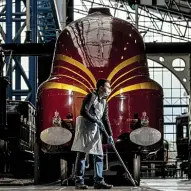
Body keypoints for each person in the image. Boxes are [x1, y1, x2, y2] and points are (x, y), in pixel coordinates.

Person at [71, 79, 114, 189]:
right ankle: (79, 181)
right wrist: (95, 120)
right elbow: (83, 111)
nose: (110, 89)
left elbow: (105, 119)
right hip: (85, 127)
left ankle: (98, 181)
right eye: (108, 87)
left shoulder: (104, 102)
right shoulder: (91, 96)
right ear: (100, 88)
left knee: (99, 154)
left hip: (94, 128)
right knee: (82, 154)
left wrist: (110, 135)